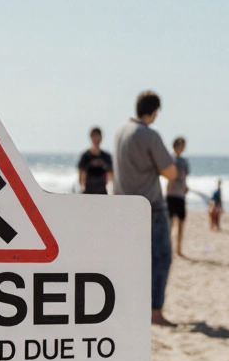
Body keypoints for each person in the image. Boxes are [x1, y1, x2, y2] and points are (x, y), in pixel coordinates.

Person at [114, 91, 177, 326]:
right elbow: (171, 171)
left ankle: (131, 308)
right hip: (149, 206)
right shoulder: (149, 135)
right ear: (154, 111)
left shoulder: (121, 131)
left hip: (123, 206)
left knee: (131, 262)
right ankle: (155, 312)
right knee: (160, 260)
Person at [166, 137, 190, 257]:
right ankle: (169, 247)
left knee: (181, 222)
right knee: (170, 223)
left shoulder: (184, 162)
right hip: (171, 194)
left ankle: (179, 248)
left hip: (180, 195)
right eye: (181, 145)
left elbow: (185, 177)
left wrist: (186, 187)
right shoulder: (170, 159)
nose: (182, 147)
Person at [78, 126, 114, 194]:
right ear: (91, 137)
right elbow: (80, 174)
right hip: (88, 192)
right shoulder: (86, 156)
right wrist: (81, 187)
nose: (96, 138)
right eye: (94, 136)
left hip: (102, 193)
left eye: (98, 136)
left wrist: (112, 190)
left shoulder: (106, 157)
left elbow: (111, 175)